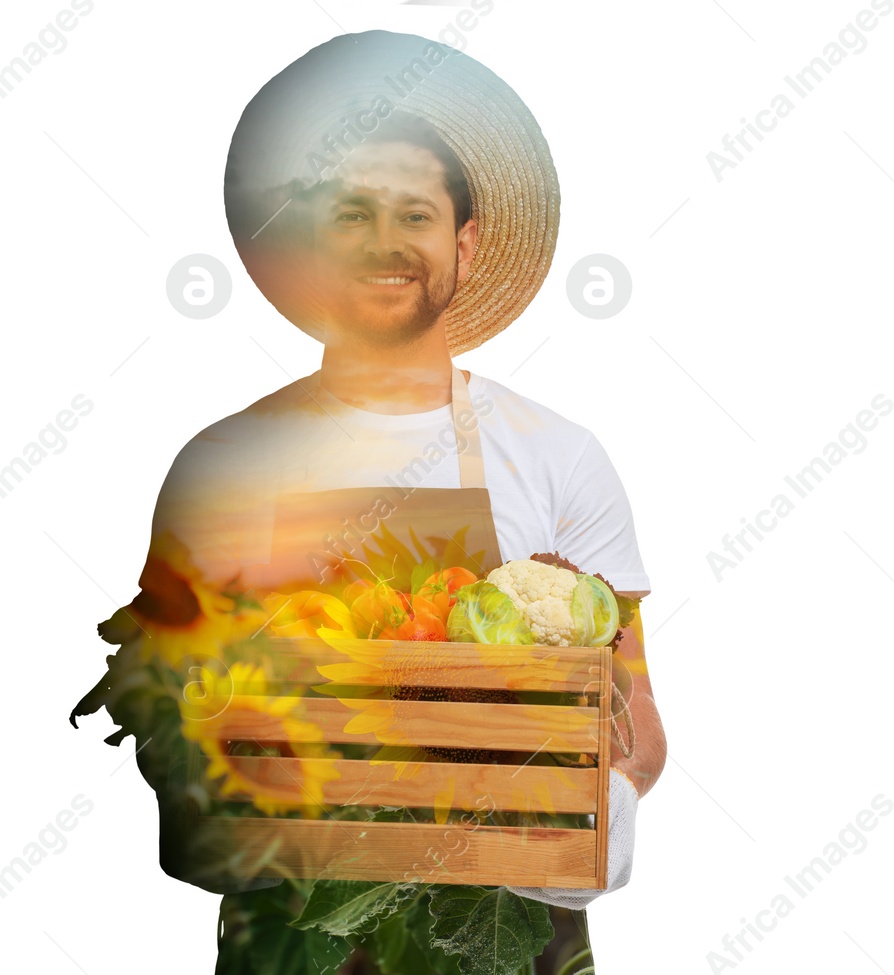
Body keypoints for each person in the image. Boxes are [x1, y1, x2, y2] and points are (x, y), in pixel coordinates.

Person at [70, 30, 664, 974]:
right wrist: (225, 797)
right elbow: (166, 722)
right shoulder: (221, 463)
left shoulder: (559, 454)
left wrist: (559, 836)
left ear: (463, 243)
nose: (386, 241)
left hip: (513, 936)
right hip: (290, 936)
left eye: (415, 214)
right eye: (351, 213)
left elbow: (641, 730)